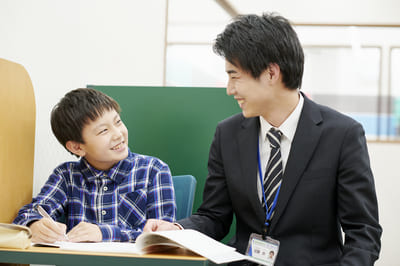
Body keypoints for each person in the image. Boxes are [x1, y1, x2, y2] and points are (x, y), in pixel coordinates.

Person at [143, 12, 382, 265]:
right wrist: (177, 230)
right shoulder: (228, 134)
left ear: (271, 73)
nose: (229, 89)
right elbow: (215, 216)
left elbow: (364, 233)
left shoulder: (341, 134)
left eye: (234, 76)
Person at [13, 88, 176, 243]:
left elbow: (163, 235)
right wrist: (34, 225)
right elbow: (28, 214)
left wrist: (104, 233)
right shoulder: (67, 176)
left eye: (118, 122)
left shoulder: (154, 170)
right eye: (104, 131)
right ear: (77, 147)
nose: (118, 134)